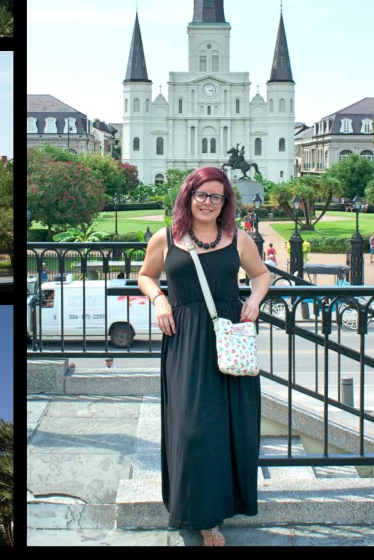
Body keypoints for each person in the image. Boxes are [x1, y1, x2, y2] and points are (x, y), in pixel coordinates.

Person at [136, 166, 270, 546]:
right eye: (201, 194)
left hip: (228, 340)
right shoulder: (166, 238)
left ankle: (217, 512)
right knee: (192, 429)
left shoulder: (238, 239)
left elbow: (261, 275)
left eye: (216, 196)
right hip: (185, 342)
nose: (208, 202)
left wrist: (254, 301)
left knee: (228, 428)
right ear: (188, 196)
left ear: (225, 202)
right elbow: (145, 275)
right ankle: (198, 514)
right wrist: (159, 299)